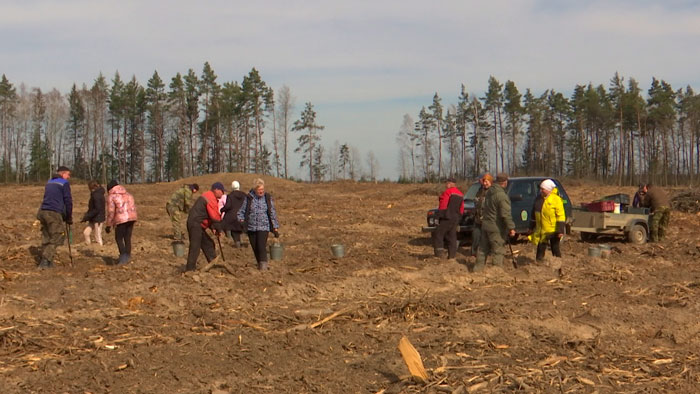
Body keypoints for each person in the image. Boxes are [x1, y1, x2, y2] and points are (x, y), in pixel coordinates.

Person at [474, 173, 516, 272]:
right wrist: (511, 227)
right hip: (496, 227)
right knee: (498, 250)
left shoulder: (489, 192)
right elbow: (505, 214)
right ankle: (496, 272)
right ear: (505, 182)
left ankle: (477, 270)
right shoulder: (501, 195)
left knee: (482, 249)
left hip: (485, 225)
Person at [237, 178, 280, 271]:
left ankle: (263, 267)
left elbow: (272, 212)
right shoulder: (249, 198)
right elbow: (241, 212)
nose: (261, 192)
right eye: (259, 190)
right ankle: (259, 264)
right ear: (255, 189)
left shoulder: (267, 198)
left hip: (264, 226)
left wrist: (275, 227)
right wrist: (241, 220)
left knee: (261, 246)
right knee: (255, 247)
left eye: (262, 190)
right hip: (251, 227)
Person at [36, 166, 73, 269]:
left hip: (43, 211)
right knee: (58, 235)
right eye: (68, 174)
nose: (69, 177)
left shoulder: (49, 182)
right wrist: (69, 216)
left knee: (47, 236)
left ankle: (49, 263)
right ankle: (45, 260)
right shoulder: (64, 183)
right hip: (54, 212)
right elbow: (68, 201)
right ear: (63, 174)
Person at [185, 182, 225, 272]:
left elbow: (208, 216)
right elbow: (214, 216)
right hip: (196, 224)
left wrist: (213, 228)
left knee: (208, 244)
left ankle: (213, 263)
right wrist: (219, 228)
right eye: (222, 191)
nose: (223, 193)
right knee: (195, 247)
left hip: (199, 224)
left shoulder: (210, 197)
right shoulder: (210, 197)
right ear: (216, 190)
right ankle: (190, 269)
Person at [528, 179, 566, 262]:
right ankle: (539, 263)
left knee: (555, 248)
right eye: (540, 189)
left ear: (549, 190)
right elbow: (534, 214)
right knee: (540, 247)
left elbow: (561, 216)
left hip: (553, 230)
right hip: (542, 230)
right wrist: (531, 227)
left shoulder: (556, 200)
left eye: (543, 189)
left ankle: (558, 266)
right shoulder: (538, 199)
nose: (541, 191)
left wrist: (560, 231)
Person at [105, 180, 138, 265]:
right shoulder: (128, 194)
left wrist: (108, 225)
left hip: (121, 219)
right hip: (132, 218)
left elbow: (111, 212)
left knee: (118, 238)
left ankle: (123, 257)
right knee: (127, 238)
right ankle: (128, 256)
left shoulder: (112, 196)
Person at [432, 177, 464, 259]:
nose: (446, 185)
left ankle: (439, 255)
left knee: (438, 234)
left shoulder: (447, 192)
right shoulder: (460, 194)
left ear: (450, 183)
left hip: (447, 217)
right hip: (455, 218)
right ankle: (452, 256)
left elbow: (443, 205)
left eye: (446, 183)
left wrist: (437, 217)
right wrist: (458, 218)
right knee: (452, 236)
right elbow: (461, 209)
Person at [471, 173, 493, 257]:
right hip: (478, 218)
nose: (484, 183)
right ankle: (474, 252)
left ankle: (489, 252)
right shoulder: (480, 191)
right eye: (483, 181)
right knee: (476, 234)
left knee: (488, 236)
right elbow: (476, 202)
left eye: (486, 181)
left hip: (488, 219)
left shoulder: (492, 191)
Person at [221, 180, 247, 248]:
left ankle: (237, 243)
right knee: (241, 229)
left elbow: (228, 206)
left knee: (233, 231)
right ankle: (243, 242)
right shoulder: (245, 195)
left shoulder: (230, 196)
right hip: (243, 217)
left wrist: (222, 210)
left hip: (232, 217)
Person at [81, 180, 106, 246]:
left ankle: (100, 249)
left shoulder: (96, 195)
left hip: (98, 219)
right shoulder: (96, 194)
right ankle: (88, 246)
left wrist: (87, 216)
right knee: (86, 233)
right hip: (93, 218)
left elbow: (97, 209)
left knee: (97, 236)